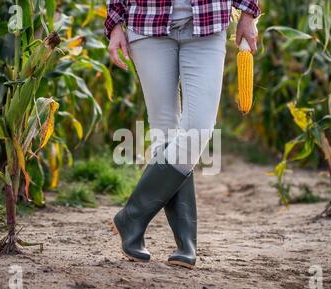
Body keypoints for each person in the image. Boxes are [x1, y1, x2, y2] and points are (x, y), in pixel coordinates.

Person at [105, 0, 260, 269]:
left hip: (208, 24)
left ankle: (132, 216)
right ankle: (185, 243)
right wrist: (115, 23)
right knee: (164, 132)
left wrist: (248, 13)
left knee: (198, 129)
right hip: (147, 23)